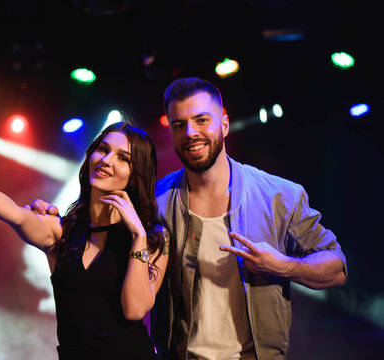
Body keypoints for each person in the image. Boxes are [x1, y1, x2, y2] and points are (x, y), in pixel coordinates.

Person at [33, 78, 347, 360]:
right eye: (179, 124)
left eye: (201, 120)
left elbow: (336, 267)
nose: (191, 132)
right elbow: (98, 238)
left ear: (224, 124)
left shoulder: (280, 195)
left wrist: (282, 265)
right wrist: (59, 220)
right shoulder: (152, 202)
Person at [0, 121, 169, 360]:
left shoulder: (154, 238)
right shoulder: (62, 231)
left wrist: (138, 237)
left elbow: (134, 309)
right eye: (103, 150)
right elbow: (16, 214)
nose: (107, 160)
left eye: (123, 158)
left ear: (136, 176)